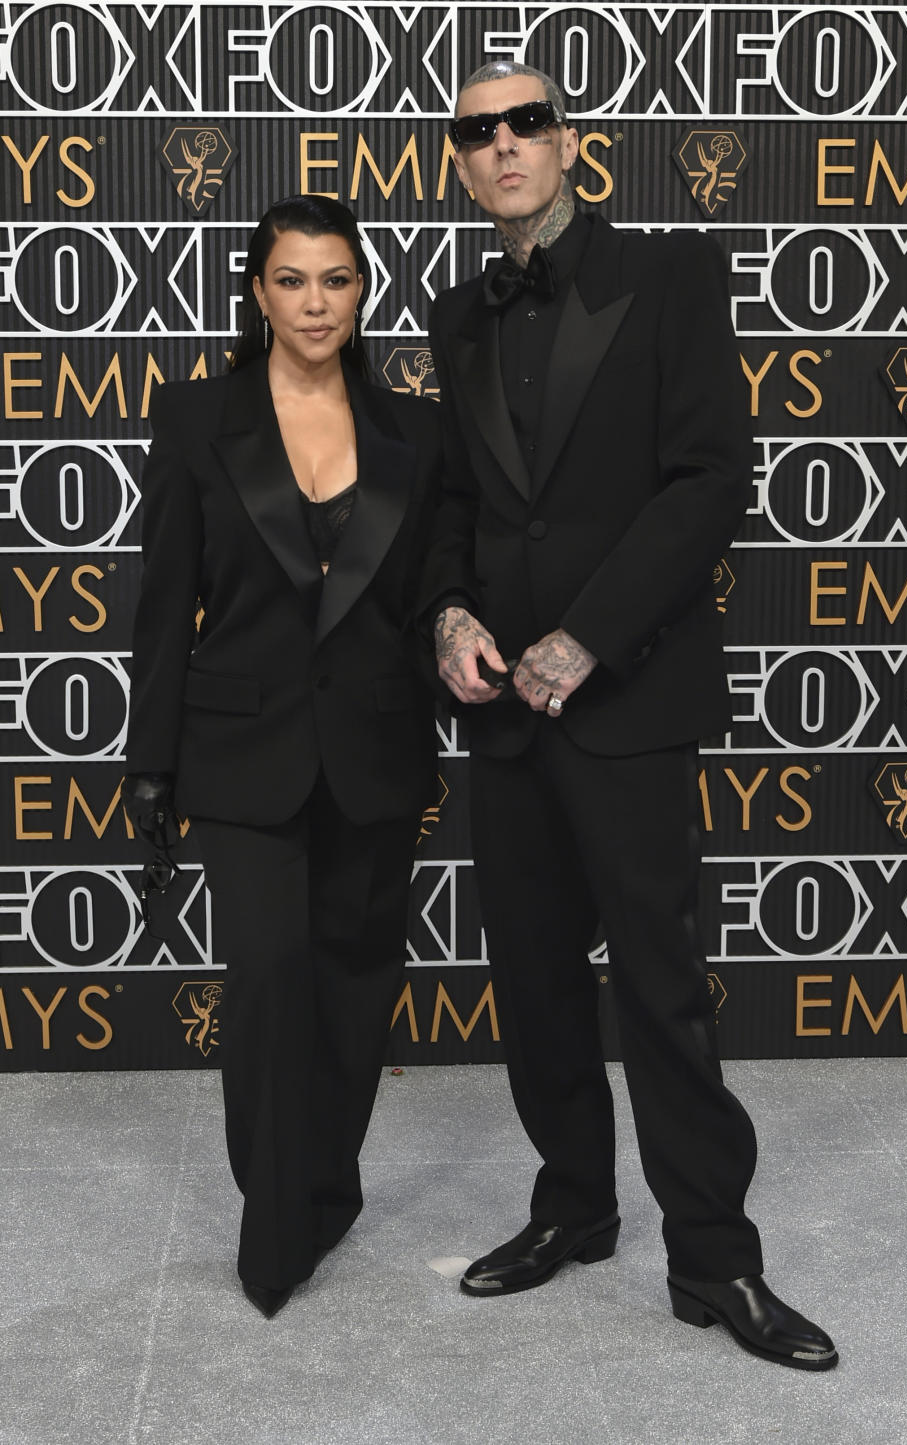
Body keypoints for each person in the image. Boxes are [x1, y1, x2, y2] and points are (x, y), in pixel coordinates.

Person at [422, 62, 837, 1370]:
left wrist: (584, 639)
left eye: (526, 124)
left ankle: (714, 1259)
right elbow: (454, 508)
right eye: (477, 131)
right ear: (459, 160)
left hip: (629, 702)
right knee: (534, 989)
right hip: (503, 716)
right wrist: (447, 615)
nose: (504, 147)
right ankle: (575, 1207)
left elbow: (710, 479)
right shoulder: (453, 311)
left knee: (662, 993)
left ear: (573, 144)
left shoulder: (672, 276)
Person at [122, 196, 440, 1319]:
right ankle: (273, 1223)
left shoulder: (414, 431)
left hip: (375, 753)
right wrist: (148, 765)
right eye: (293, 279)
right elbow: (163, 606)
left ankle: (326, 1183)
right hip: (240, 751)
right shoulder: (197, 417)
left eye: (338, 279)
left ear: (363, 292)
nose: (316, 301)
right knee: (266, 978)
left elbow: (426, 599)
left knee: (356, 985)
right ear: (257, 293)